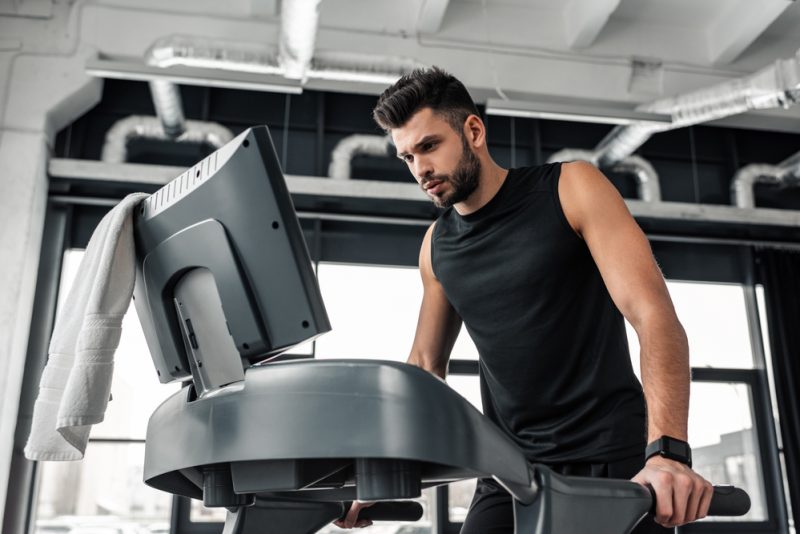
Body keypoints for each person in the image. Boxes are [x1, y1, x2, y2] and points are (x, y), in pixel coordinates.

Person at [335, 67, 713, 533]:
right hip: (511, 470)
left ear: (473, 130)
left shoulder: (571, 187)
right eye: (407, 157)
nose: (420, 170)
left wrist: (668, 452)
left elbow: (653, 315)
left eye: (429, 146)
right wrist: (378, 472)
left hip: (612, 455)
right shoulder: (436, 246)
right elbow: (424, 367)